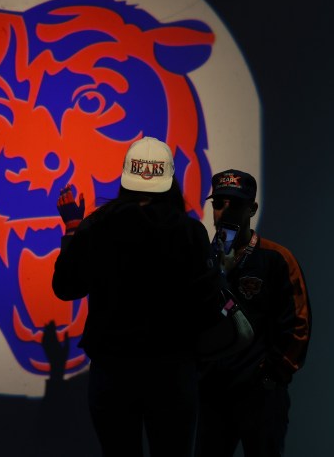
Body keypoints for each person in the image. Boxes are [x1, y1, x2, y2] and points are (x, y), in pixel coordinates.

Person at [52, 136, 224, 457]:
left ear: (126, 178)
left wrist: (73, 227)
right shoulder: (190, 232)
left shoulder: (96, 227)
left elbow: (66, 287)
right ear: (169, 180)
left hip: (113, 371)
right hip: (173, 371)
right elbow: (208, 306)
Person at [196, 169, 312, 457]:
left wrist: (273, 376)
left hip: (259, 397)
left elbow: (298, 324)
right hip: (212, 394)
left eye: (235, 205)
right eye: (218, 203)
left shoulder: (276, 259)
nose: (224, 212)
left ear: (252, 209)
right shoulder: (200, 261)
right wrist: (216, 275)